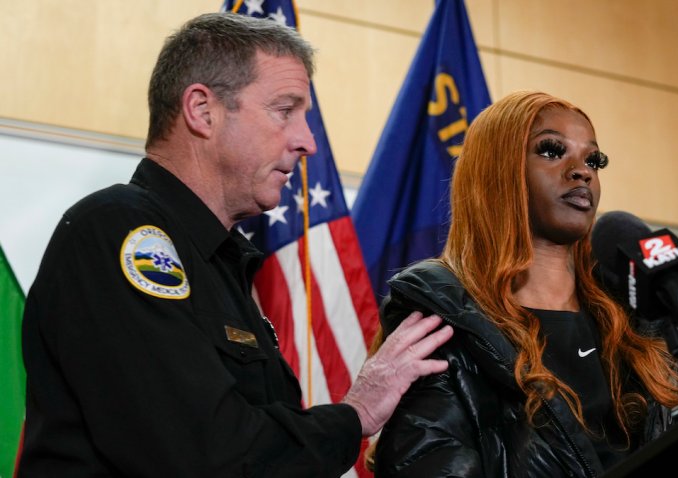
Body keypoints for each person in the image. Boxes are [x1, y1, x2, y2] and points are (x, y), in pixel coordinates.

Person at [19, 12, 452, 477]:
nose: (308, 142)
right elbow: (206, 454)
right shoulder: (121, 231)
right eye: (285, 110)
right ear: (202, 111)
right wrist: (356, 415)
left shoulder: (218, 261)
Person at [370, 91, 678, 477]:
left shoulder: (636, 314)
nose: (582, 171)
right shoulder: (443, 318)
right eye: (551, 150)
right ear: (496, 171)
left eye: (593, 160)